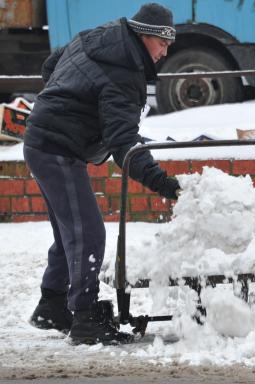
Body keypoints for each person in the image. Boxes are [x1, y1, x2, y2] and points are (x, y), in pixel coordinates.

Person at [24, 3, 179, 345]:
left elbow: (51, 65)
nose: (164, 52)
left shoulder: (98, 36)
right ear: (144, 35)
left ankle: (52, 304)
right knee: (88, 234)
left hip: (44, 140)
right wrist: (163, 183)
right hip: (56, 148)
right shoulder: (123, 72)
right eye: (162, 44)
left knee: (72, 232)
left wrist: (67, 105)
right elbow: (124, 144)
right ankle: (85, 319)